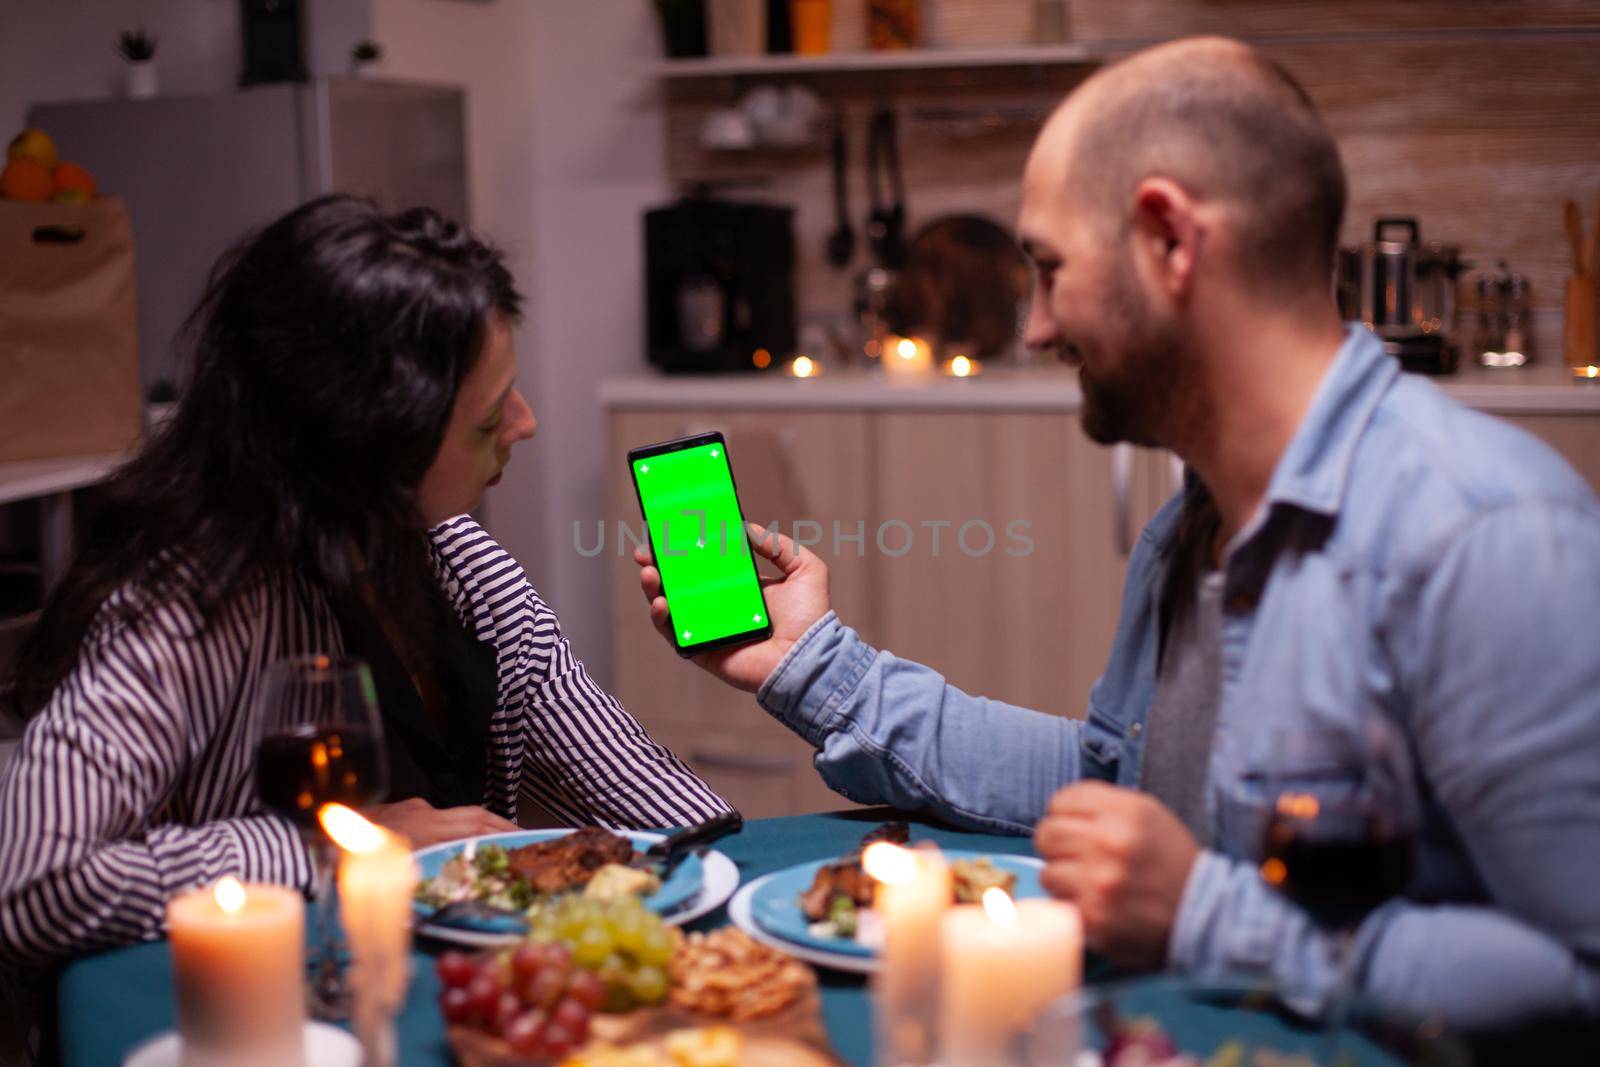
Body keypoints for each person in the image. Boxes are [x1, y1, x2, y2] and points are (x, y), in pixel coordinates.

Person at [636, 38, 1600, 1032]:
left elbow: (1580, 975)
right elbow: (1113, 791)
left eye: (1049, 270)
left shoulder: (1484, 538)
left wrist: (1208, 914)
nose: (1040, 327)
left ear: (1168, 240)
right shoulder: (1188, 529)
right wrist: (810, 663)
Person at [0, 195, 729, 969]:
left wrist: (792, 680)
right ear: (370, 440)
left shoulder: (464, 560)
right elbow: (33, 878)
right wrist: (335, 844)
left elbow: (641, 789)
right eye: (487, 419)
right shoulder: (193, 604)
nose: (526, 423)